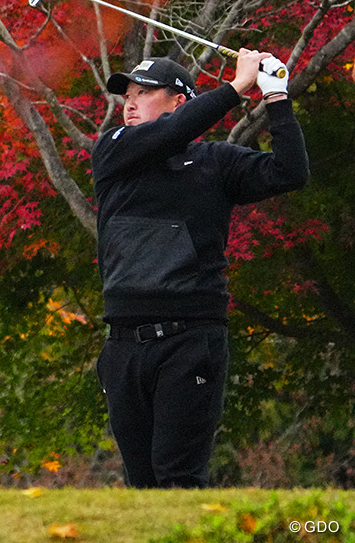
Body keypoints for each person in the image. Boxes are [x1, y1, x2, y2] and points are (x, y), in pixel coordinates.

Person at [92, 50, 309, 488]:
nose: (129, 104)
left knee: (178, 477)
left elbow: (290, 172)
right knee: (141, 482)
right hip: (123, 345)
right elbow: (171, 134)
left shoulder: (216, 162)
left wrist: (277, 97)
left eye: (145, 93)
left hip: (190, 339)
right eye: (127, 95)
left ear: (179, 102)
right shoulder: (114, 152)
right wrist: (234, 88)